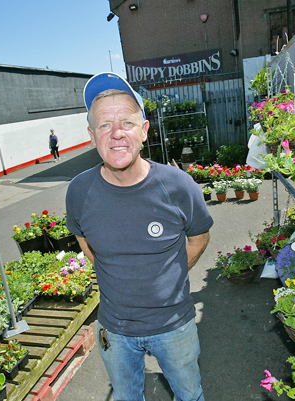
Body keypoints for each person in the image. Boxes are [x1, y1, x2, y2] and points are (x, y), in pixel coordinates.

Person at [66, 72, 213, 401]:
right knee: (126, 397)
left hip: (174, 326)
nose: (116, 133)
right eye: (104, 125)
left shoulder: (178, 186)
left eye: (127, 123)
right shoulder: (79, 192)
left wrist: (168, 274)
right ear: (92, 136)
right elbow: (86, 243)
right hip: (114, 331)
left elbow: (199, 238)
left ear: (144, 131)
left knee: (190, 395)